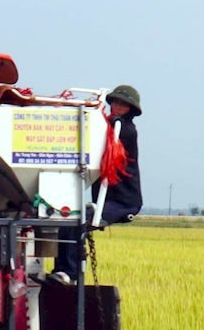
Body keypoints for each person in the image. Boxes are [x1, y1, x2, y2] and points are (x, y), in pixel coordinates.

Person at [53, 84, 143, 280]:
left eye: (123, 105)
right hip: (107, 199)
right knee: (67, 221)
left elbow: (100, 131)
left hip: (124, 202)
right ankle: (61, 270)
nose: (117, 107)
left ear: (131, 110)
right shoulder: (111, 124)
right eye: (116, 102)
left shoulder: (125, 130)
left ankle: (69, 272)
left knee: (78, 222)